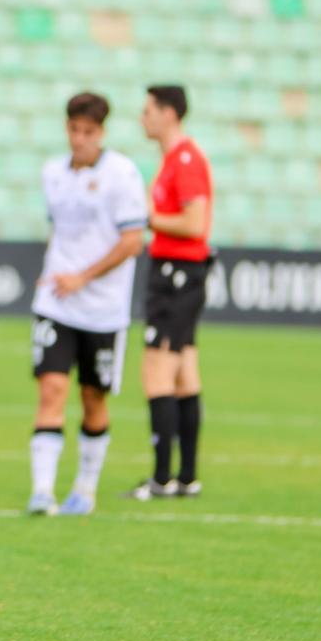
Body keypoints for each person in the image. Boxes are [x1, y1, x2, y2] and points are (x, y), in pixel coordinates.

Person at [28, 92, 147, 516]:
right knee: (52, 389)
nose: (80, 139)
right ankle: (42, 492)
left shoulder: (123, 174)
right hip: (56, 303)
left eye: (89, 132)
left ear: (102, 132)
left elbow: (132, 241)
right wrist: (56, 270)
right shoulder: (52, 173)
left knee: (93, 398)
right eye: (74, 130)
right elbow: (60, 232)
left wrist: (82, 276)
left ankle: (85, 487)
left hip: (103, 310)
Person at [128, 84, 213, 501]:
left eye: (148, 110)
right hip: (180, 273)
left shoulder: (185, 160)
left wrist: (148, 218)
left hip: (177, 273)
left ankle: (162, 478)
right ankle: (186, 476)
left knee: (157, 371)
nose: (142, 117)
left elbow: (195, 224)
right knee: (184, 372)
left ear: (169, 113)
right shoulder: (172, 161)